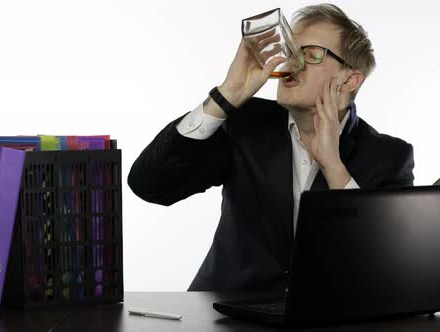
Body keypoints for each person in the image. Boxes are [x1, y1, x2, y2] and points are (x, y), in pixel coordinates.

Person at [128, 4, 414, 291]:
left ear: (350, 79)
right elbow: (150, 185)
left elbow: (387, 268)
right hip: (226, 314)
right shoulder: (245, 124)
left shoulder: (389, 157)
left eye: (311, 54)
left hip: (324, 318)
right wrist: (227, 94)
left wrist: (333, 167)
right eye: (290, 52)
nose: (292, 65)